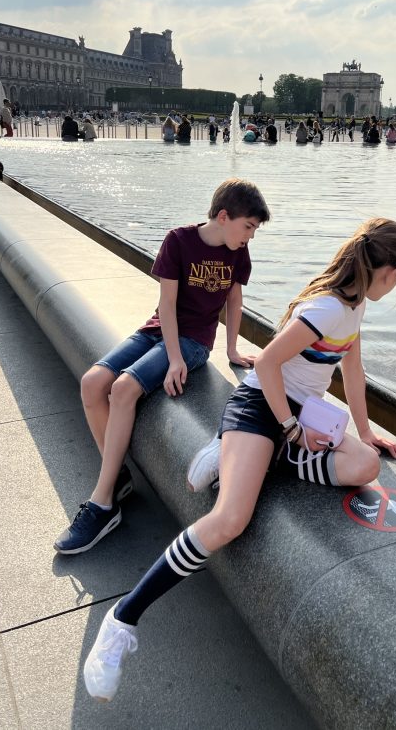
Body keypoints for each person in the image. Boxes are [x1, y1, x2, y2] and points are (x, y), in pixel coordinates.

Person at [82, 217, 396, 702]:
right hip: (264, 406)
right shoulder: (326, 308)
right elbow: (266, 363)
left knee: (365, 465)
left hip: (303, 413)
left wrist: (366, 433)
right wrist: (288, 428)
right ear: (387, 269)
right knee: (230, 519)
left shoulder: (355, 304)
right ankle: (122, 621)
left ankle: (254, 458)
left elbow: (354, 369)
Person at [53, 179, 271, 555]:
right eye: (248, 226)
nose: (251, 236)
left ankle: (103, 503)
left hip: (195, 343)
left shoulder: (238, 253)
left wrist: (232, 349)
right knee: (93, 383)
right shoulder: (179, 241)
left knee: (122, 390)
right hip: (160, 331)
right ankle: (116, 474)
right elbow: (166, 306)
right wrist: (172, 359)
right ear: (224, 216)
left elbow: (234, 302)